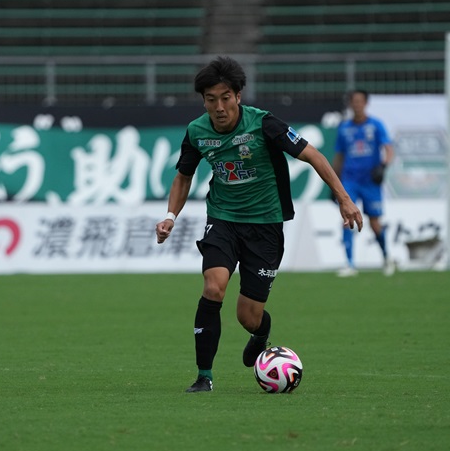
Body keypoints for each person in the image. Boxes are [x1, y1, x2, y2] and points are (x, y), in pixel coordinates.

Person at [155, 56, 363, 393]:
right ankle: (204, 376)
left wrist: (343, 198)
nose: (219, 107)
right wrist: (170, 216)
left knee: (248, 316)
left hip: (265, 226)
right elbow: (183, 176)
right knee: (213, 287)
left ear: (238, 96)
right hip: (222, 219)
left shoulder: (264, 124)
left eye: (225, 98)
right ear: (203, 101)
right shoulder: (196, 131)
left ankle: (260, 334)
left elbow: (313, 155)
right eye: (210, 99)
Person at [332, 89, 395, 277]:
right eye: (354, 101)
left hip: (370, 181)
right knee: (347, 218)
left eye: (360, 101)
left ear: (366, 103)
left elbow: (389, 149)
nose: (357, 105)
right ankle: (349, 264)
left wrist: (383, 166)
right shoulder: (344, 128)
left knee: (375, 223)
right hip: (350, 180)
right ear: (350, 104)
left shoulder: (376, 125)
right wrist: (334, 182)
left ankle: (386, 256)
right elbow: (339, 156)